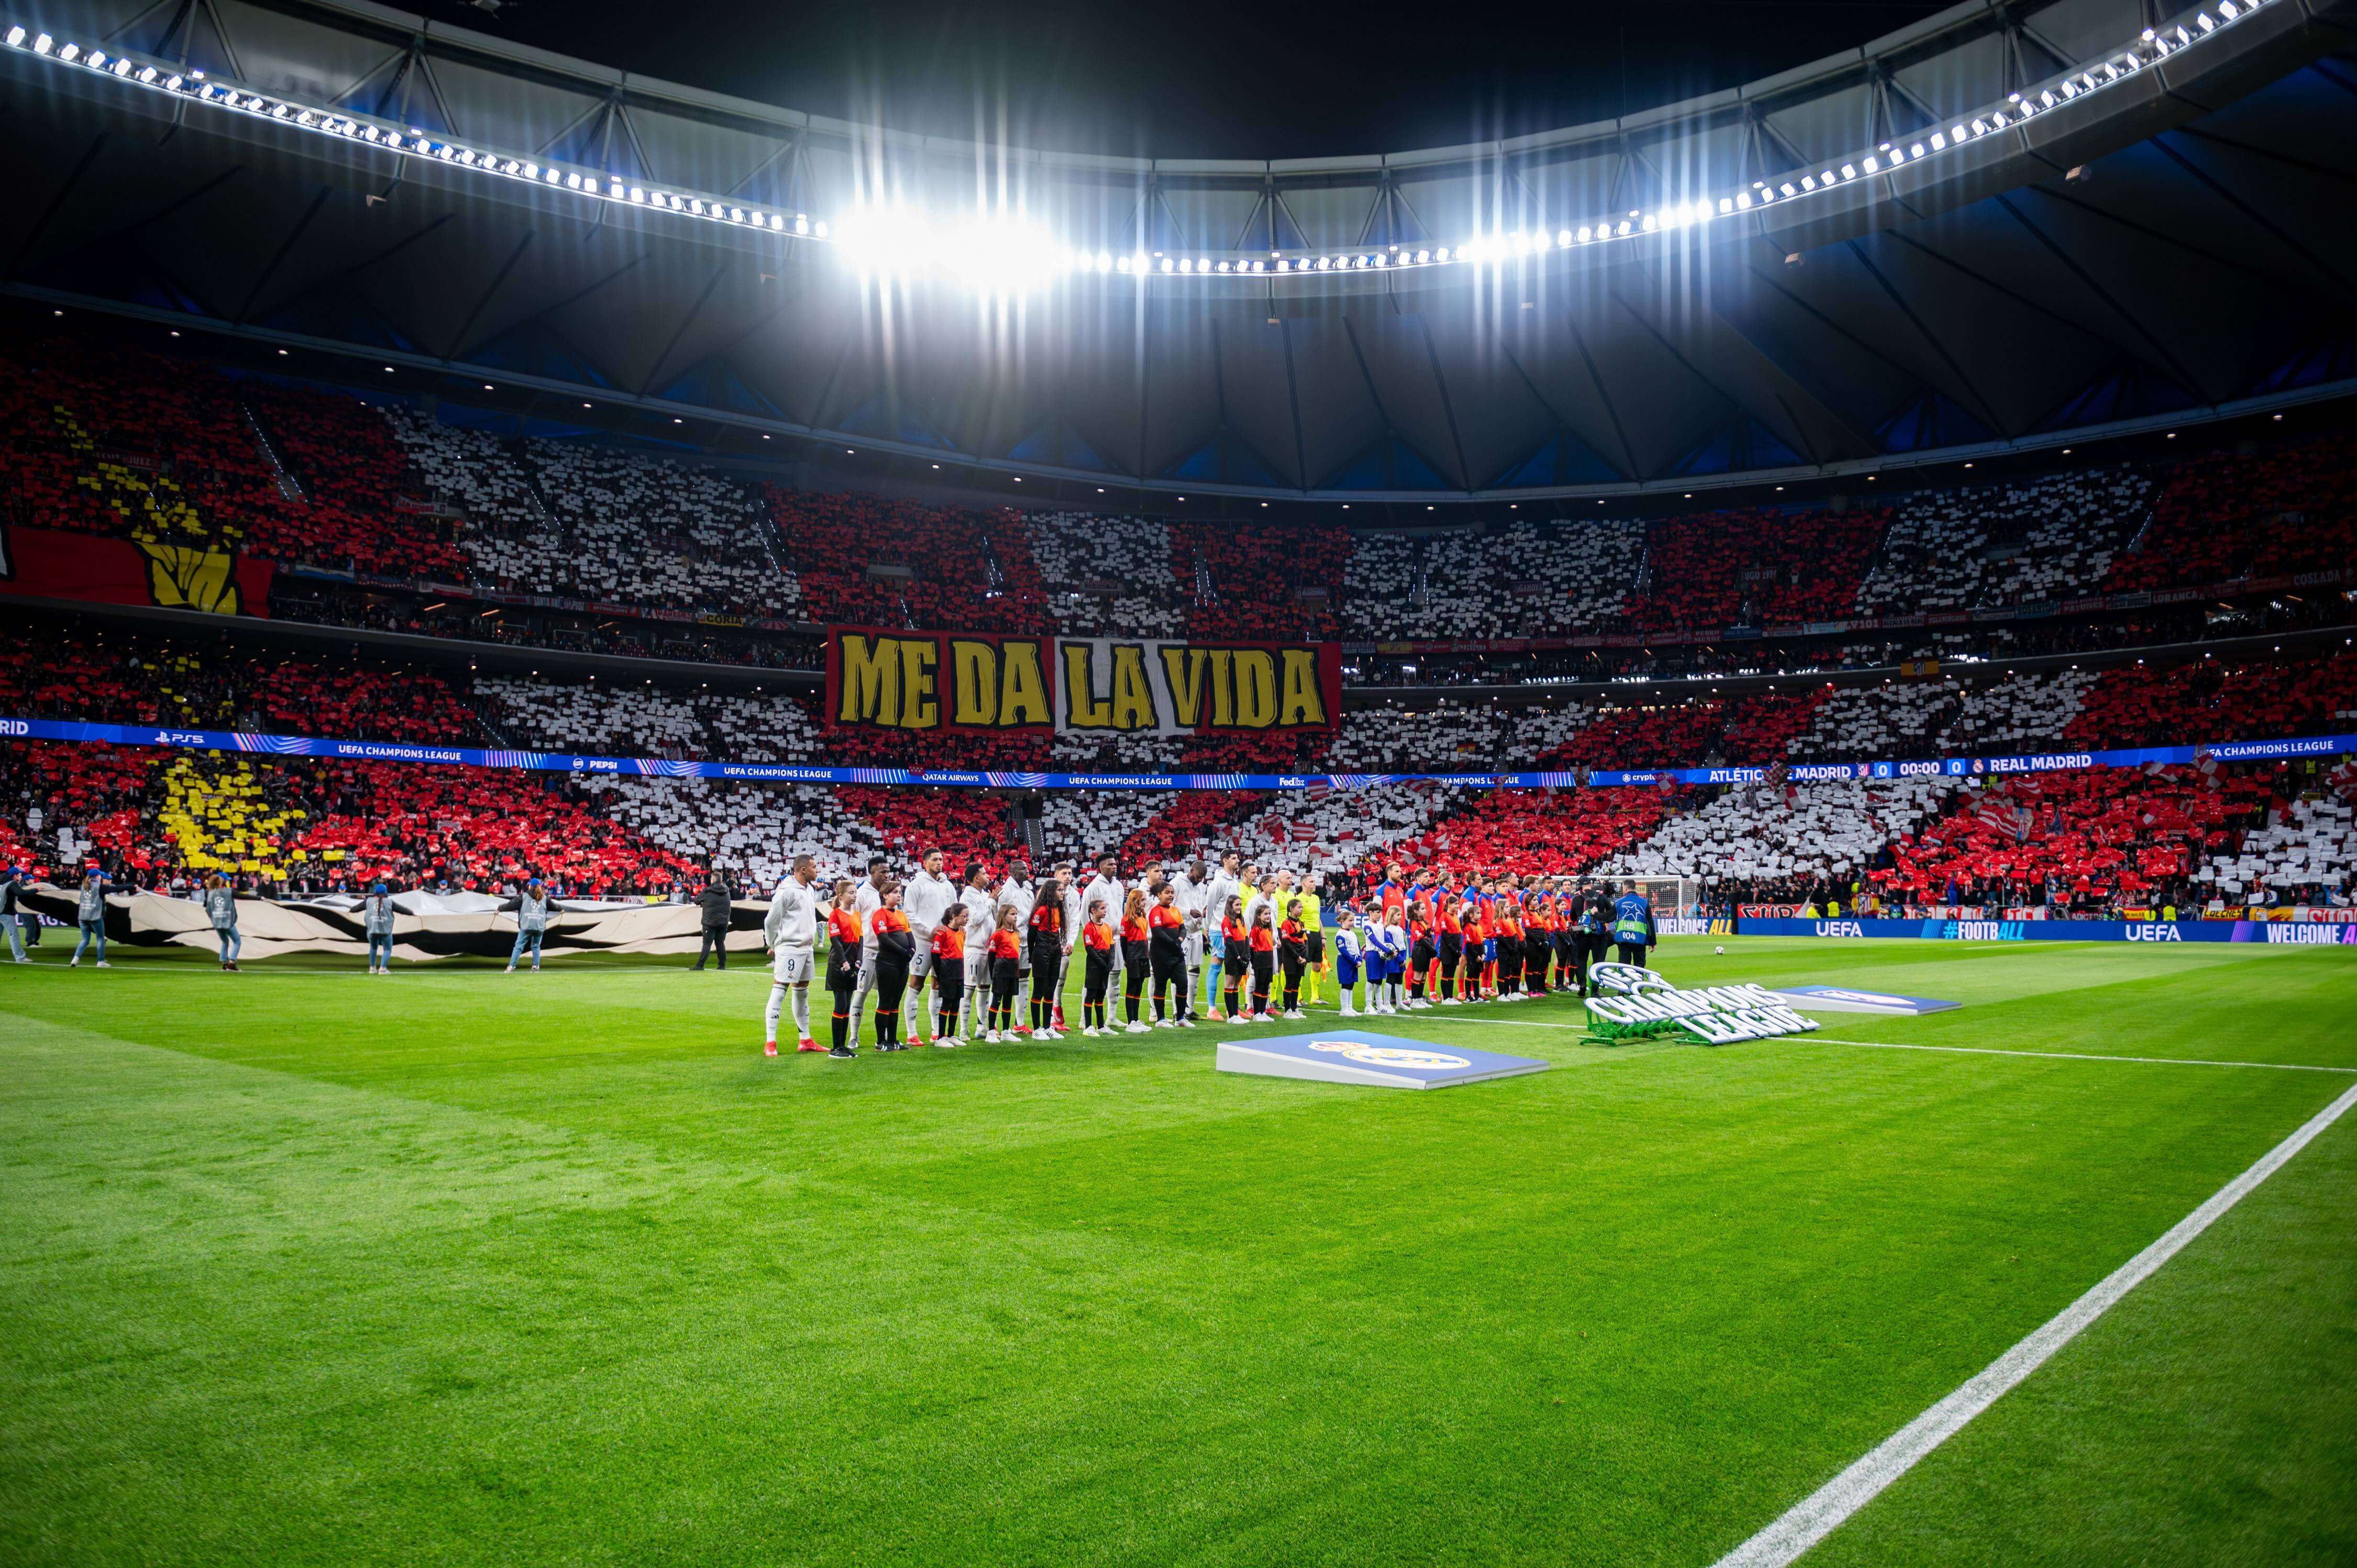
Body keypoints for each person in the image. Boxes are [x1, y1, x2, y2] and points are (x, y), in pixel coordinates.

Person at [762, 854, 824, 1055]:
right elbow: (771, 922)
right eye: (814, 867)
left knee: (802, 991)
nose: (817, 871)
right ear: (803, 869)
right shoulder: (786, 891)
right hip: (790, 948)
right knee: (780, 990)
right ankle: (770, 1042)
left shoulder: (810, 890)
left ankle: (805, 1039)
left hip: (807, 948)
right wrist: (774, 944)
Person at [902, 847, 958, 1045]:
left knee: (938, 986)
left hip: (944, 944)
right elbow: (909, 914)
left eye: (941, 859)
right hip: (923, 942)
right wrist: (930, 931)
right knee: (916, 984)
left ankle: (936, 1031)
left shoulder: (948, 886)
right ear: (925, 862)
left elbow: (955, 911)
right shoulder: (916, 885)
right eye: (935, 860)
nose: (939, 863)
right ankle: (911, 1033)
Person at [844, 857, 890, 1047]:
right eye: (883, 872)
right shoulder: (862, 893)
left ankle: (884, 1036)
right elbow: (852, 920)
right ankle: (854, 1035)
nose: (887, 875)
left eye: (888, 871)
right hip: (868, 952)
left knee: (886, 995)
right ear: (872, 873)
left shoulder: (890, 893)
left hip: (888, 953)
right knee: (861, 992)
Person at [869, 884, 915, 1051]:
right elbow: (884, 939)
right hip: (888, 963)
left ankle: (893, 1039)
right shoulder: (879, 915)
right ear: (885, 895)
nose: (899, 895)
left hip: (902, 964)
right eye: (895, 892)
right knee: (885, 1001)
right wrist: (904, 952)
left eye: (900, 892)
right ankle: (880, 1042)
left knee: (895, 1002)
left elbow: (910, 936)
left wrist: (911, 951)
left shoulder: (902, 915)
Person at [957, 862, 997, 1043]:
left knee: (985, 989)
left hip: (988, 949)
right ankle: (963, 1030)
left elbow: (991, 921)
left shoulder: (985, 895)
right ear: (976, 878)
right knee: (968, 991)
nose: (988, 876)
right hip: (973, 949)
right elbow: (973, 920)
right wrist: (990, 902)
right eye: (984, 873)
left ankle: (982, 1027)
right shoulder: (967, 896)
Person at [1026, 865, 1068, 1039]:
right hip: (1042, 951)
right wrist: (1030, 954)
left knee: (1050, 990)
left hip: (1055, 951)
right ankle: (1037, 1029)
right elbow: (1032, 933)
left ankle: (1047, 1027)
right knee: (1039, 990)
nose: (1062, 893)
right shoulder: (1042, 910)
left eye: (1063, 890)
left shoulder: (1058, 910)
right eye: (1059, 890)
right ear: (1051, 892)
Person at [823, 880, 863, 1057]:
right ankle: (836, 1047)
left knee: (847, 1005)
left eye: (856, 893)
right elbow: (835, 941)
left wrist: (859, 961)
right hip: (838, 964)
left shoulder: (857, 915)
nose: (855, 896)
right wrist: (845, 962)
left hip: (853, 963)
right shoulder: (835, 915)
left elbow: (860, 940)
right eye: (851, 893)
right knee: (840, 1004)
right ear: (841, 896)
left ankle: (843, 1047)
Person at [1149, 882, 1191, 1027]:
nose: (1171, 895)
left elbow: (1183, 929)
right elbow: (1158, 932)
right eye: (1167, 892)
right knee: (1161, 985)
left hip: (1176, 953)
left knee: (1183, 984)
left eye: (1172, 893)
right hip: (1160, 954)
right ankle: (1161, 1019)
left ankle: (1180, 1018)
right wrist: (1174, 943)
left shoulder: (1175, 910)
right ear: (1159, 895)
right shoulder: (1156, 911)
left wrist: (1179, 940)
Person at [929, 904, 967, 1048]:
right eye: (964, 916)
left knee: (956, 1004)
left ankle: (951, 1035)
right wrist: (940, 975)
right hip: (947, 971)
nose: (966, 919)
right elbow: (935, 955)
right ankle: (940, 1037)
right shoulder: (942, 933)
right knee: (946, 1004)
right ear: (954, 917)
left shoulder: (962, 932)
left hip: (959, 971)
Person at [985, 905, 1023, 1042]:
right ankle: (991, 1032)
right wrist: (993, 974)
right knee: (997, 1000)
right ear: (1004, 916)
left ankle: (1006, 1031)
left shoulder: (1016, 933)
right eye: (1012, 914)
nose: (1015, 917)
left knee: (1008, 1001)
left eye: (1016, 914)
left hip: (1013, 970)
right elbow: (991, 956)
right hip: (1001, 970)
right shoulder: (998, 935)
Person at [1118, 888, 1152, 1034]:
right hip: (1133, 957)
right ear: (1135, 901)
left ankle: (1136, 1020)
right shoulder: (1126, 920)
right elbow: (1123, 941)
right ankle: (1130, 1021)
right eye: (1143, 900)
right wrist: (1126, 959)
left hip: (1144, 956)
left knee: (1139, 987)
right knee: (1132, 987)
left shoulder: (1143, 918)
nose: (1145, 903)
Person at [1080, 898, 1115, 1036]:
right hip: (1094, 965)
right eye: (1102, 909)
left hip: (1105, 963)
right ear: (1093, 911)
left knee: (1101, 994)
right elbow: (1090, 949)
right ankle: (1088, 1026)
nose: (1105, 911)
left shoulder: (1107, 927)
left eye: (1105, 908)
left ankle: (1101, 1026)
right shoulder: (1089, 927)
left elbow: (1112, 945)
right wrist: (1102, 963)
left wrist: (1111, 962)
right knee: (1091, 995)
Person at [504, 878, 553, 973]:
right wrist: (562, 909)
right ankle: (535, 967)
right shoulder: (545, 898)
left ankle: (512, 967)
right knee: (536, 947)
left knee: (518, 946)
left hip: (527, 926)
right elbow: (555, 906)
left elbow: (511, 905)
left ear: (530, 886)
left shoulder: (524, 896)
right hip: (539, 927)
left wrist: (500, 908)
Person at [1218, 896, 1251, 1022]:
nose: (1239, 907)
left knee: (1236, 985)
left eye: (1240, 905)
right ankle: (1231, 1016)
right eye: (1237, 905)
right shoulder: (1226, 921)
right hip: (1233, 956)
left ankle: (1236, 1014)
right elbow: (1230, 942)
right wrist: (1238, 958)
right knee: (1230, 984)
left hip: (1242, 956)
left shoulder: (1241, 920)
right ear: (1230, 906)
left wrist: (1247, 957)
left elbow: (1247, 939)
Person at [68, 867, 109, 969]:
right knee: (100, 938)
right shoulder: (99, 886)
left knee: (85, 939)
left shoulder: (84, 885)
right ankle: (101, 961)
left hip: (82, 916)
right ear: (97, 876)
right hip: (95, 916)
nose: (101, 876)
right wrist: (130, 886)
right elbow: (114, 889)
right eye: (100, 875)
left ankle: (75, 959)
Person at [1613, 879, 1658, 968]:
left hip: (1624, 939)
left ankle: (1625, 982)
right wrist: (1652, 941)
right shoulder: (1644, 902)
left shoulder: (1619, 902)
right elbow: (1649, 922)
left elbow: (1609, 917)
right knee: (1640, 966)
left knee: (1624, 966)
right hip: (1639, 938)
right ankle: (1638, 982)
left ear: (1625, 888)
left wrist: (1596, 915)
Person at [692, 874, 732, 971]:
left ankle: (700, 965)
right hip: (724, 922)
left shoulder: (708, 891)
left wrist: (704, 903)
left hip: (710, 922)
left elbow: (697, 901)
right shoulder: (727, 891)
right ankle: (722, 965)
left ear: (713, 879)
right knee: (720, 944)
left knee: (707, 944)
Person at [1277, 899, 1309, 1019]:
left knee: (1297, 983)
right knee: (1289, 983)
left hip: (1300, 956)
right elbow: (1286, 942)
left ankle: (1295, 1009)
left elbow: (1305, 941)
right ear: (1291, 909)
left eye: (1302, 907)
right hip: (1291, 957)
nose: (1301, 910)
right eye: (1299, 907)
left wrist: (1305, 958)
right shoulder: (1286, 923)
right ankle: (1288, 1010)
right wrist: (1298, 957)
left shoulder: (1301, 923)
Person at [202, 873, 241, 971]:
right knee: (237, 941)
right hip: (227, 921)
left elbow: (205, 905)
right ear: (221, 881)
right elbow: (242, 896)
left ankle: (224, 964)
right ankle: (232, 964)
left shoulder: (210, 894)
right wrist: (260, 898)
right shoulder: (228, 892)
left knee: (225, 941)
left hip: (217, 922)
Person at [1247, 902, 1277, 1021]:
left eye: (1269, 914)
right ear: (1259, 916)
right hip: (1260, 962)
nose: (1268, 916)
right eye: (1266, 914)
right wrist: (1255, 963)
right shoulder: (1255, 930)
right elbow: (1251, 948)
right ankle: (1257, 1013)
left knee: (1266, 986)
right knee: (1259, 987)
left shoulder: (1269, 929)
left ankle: (1263, 1012)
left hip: (1269, 960)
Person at [1334, 908, 1364, 1018]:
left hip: (1354, 961)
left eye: (1353, 921)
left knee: (1351, 984)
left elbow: (1358, 946)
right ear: (1343, 921)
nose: (1352, 923)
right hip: (1345, 962)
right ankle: (1344, 1009)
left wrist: (1360, 958)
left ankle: (1350, 1008)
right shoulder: (1340, 934)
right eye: (1350, 921)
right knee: (1346, 984)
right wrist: (1355, 961)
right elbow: (1344, 951)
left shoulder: (1352, 933)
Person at [362, 880, 396, 974]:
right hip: (385, 931)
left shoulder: (369, 901)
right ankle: (383, 969)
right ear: (386, 892)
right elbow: (403, 910)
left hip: (372, 930)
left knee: (373, 948)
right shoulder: (389, 902)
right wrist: (414, 913)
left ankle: (372, 968)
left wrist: (350, 910)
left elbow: (356, 909)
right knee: (388, 949)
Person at [2, 864, 29, 964]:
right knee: (14, 935)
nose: (21, 877)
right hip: (6, 913)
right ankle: (20, 957)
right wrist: (36, 890)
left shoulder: (2, 882)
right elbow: (21, 893)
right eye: (20, 875)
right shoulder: (12, 883)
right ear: (14, 876)